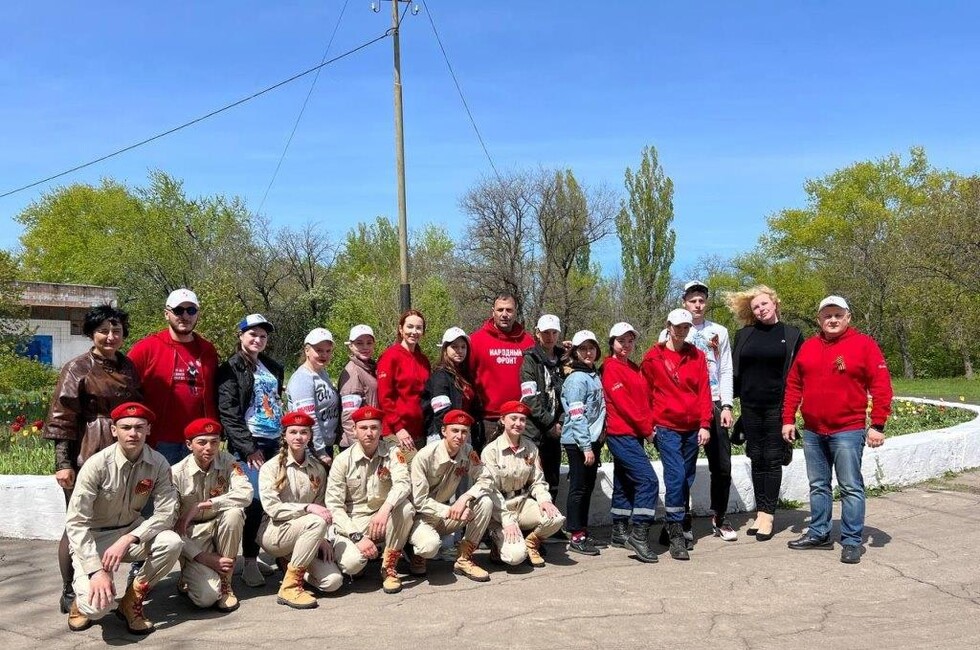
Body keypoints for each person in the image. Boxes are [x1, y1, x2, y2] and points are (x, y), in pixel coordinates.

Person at [43, 304, 142, 615]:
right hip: (88, 450)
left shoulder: (128, 367)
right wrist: (63, 464)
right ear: (91, 333)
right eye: (103, 331)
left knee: (118, 519)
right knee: (77, 522)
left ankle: (118, 585)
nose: (110, 336)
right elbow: (62, 417)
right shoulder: (77, 368)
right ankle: (69, 590)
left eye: (116, 330)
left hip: (124, 451)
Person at [782, 296, 893, 564]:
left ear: (848, 317)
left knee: (850, 487)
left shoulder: (864, 345)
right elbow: (794, 384)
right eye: (827, 315)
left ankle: (852, 541)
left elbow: (881, 385)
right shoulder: (809, 347)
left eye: (838, 315)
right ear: (819, 319)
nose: (832, 320)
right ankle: (819, 533)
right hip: (813, 431)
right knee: (818, 485)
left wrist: (877, 424)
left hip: (848, 430)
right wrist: (788, 419)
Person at [63, 402, 181, 635]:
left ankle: (131, 601)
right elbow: (76, 523)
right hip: (94, 538)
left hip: (130, 533)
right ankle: (80, 603)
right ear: (114, 430)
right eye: (126, 427)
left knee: (172, 542)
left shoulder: (158, 463)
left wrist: (129, 538)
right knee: (97, 608)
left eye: (139, 427)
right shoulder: (96, 465)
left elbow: (167, 512)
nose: (133, 433)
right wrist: (96, 570)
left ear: (148, 429)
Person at [659, 280, 736, 541]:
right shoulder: (669, 332)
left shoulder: (719, 331)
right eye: (692, 300)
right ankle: (683, 519)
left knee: (722, 465)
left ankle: (720, 516)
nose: (698, 305)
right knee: (682, 469)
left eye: (702, 300)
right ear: (684, 302)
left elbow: (725, 369)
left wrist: (727, 405)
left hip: (714, 401)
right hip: (685, 406)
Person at [727, 286, 803, 541]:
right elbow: (734, 371)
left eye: (764, 304)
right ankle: (760, 513)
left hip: (776, 407)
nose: (760, 309)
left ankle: (768, 515)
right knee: (756, 458)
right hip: (750, 407)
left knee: (772, 459)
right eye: (756, 307)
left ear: (775, 303)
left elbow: (799, 374)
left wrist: (791, 412)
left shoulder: (791, 335)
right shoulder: (744, 335)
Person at [216, 313, 285, 588]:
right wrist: (248, 448)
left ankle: (262, 552)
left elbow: (275, 402)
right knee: (253, 500)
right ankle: (248, 562)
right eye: (252, 334)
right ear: (241, 335)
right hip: (250, 444)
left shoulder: (272, 367)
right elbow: (229, 413)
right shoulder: (230, 368)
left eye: (263, 336)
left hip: (273, 441)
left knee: (272, 498)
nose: (258, 339)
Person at [642, 309, 712, 561]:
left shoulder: (697, 355)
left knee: (686, 478)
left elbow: (704, 391)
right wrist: (649, 426)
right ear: (668, 326)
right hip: (666, 427)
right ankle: (676, 533)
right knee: (676, 476)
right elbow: (645, 393)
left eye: (686, 327)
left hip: (692, 428)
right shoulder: (653, 357)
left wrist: (705, 424)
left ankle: (671, 525)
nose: (681, 331)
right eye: (677, 326)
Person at [325, 405, 415, 594]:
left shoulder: (393, 452)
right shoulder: (342, 460)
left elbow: (403, 483)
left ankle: (389, 566)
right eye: (363, 428)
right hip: (355, 521)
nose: (369, 433)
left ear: (381, 430)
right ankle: (366, 555)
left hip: (383, 517)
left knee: (406, 508)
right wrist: (356, 537)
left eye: (374, 427)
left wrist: (385, 509)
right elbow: (334, 506)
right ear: (354, 430)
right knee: (352, 565)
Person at [258, 411, 342, 608]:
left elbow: (323, 507)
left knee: (333, 582)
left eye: (304, 432)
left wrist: (323, 538)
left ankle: (289, 565)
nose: (298, 437)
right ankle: (290, 587)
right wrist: (307, 507)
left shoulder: (317, 469)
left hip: (310, 533)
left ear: (310, 436)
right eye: (293, 432)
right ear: (285, 436)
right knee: (315, 520)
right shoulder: (270, 468)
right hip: (276, 532)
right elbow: (273, 508)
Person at [128, 288, 220, 465]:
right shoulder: (147, 348)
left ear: (197, 314)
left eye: (191, 310)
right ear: (166, 314)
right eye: (178, 310)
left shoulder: (207, 350)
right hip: (158, 440)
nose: (185, 316)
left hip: (198, 440)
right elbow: (126, 388)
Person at [171, 417, 252, 612]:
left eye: (214, 442)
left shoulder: (228, 461)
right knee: (206, 598)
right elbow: (172, 526)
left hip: (220, 527)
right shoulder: (175, 474)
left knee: (234, 513)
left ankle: (226, 583)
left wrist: (205, 504)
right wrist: (202, 557)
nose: (209, 448)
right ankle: (189, 571)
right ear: (189, 445)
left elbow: (246, 493)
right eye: (202, 442)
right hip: (192, 536)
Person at [408, 409, 493, 582]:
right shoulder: (424, 456)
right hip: (420, 517)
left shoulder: (467, 451)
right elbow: (419, 501)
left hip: (444, 516)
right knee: (429, 546)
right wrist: (450, 510)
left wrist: (465, 498)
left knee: (485, 502)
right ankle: (415, 553)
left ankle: (464, 559)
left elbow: (487, 478)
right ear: (443, 431)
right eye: (454, 430)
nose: (459, 436)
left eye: (464, 432)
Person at [601, 322, 660, 563]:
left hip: (634, 434)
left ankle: (619, 529)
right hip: (621, 433)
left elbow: (644, 400)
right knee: (648, 481)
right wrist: (648, 431)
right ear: (612, 343)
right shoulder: (611, 368)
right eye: (621, 341)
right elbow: (625, 405)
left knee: (625, 481)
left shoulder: (634, 367)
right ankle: (639, 533)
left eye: (630, 340)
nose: (626, 345)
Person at [482, 401, 565, 568]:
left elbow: (537, 480)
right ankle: (497, 545)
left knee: (555, 518)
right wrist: (507, 521)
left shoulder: (531, 448)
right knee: (515, 557)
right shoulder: (491, 451)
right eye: (513, 418)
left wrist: (544, 500)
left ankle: (531, 543)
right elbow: (489, 491)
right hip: (500, 509)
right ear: (502, 420)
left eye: (522, 420)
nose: (518, 423)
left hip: (522, 504)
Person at [468, 291, 535, 451]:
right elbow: (465, 378)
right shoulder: (475, 340)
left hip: (519, 419)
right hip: (488, 420)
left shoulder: (528, 342)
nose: (504, 314)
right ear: (493, 311)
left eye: (509, 310)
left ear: (516, 312)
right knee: (487, 465)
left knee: (519, 465)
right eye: (500, 310)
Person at [560, 330, 607, 556]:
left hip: (591, 439)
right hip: (578, 441)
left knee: (587, 487)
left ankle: (583, 530)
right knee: (579, 488)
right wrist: (586, 446)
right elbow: (577, 416)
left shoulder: (592, 374)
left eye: (592, 348)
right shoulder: (577, 379)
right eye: (583, 349)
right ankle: (576, 534)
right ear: (575, 353)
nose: (588, 353)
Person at [519, 314, 565, 508]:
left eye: (554, 332)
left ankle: (550, 519)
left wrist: (560, 421)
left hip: (555, 429)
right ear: (537, 333)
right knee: (532, 478)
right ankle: (531, 520)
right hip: (534, 430)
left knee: (552, 479)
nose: (550, 337)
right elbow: (529, 398)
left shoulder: (564, 360)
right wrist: (549, 423)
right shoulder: (530, 359)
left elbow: (567, 394)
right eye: (545, 332)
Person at [377, 309, 431, 461]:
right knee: (410, 469)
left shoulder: (423, 360)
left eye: (418, 328)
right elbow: (385, 397)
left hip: (419, 430)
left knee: (422, 471)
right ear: (401, 329)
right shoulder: (390, 356)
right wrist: (398, 428)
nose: (414, 332)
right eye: (410, 327)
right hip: (396, 431)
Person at [286, 328, 341, 467]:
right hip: (310, 449)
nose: (324, 355)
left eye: (328, 351)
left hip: (326, 445)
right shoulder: (303, 378)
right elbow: (308, 418)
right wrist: (320, 451)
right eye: (319, 350)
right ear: (307, 350)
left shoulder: (322, 373)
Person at [421, 327, 480, 445]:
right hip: (443, 437)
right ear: (445, 349)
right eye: (454, 347)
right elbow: (441, 413)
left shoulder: (466, 376)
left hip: (462, 434)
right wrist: (451, 438)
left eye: (463, 347)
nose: (460, 351)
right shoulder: (440, 376)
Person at [338, 324, 378, 450]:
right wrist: (357, 448)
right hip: (357, 443)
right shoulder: (352, 372)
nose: (365, 347)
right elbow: (348, 416)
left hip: (369, 438)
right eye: (359, 343)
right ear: (351, 346)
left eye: (369, 343)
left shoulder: (370, 368)